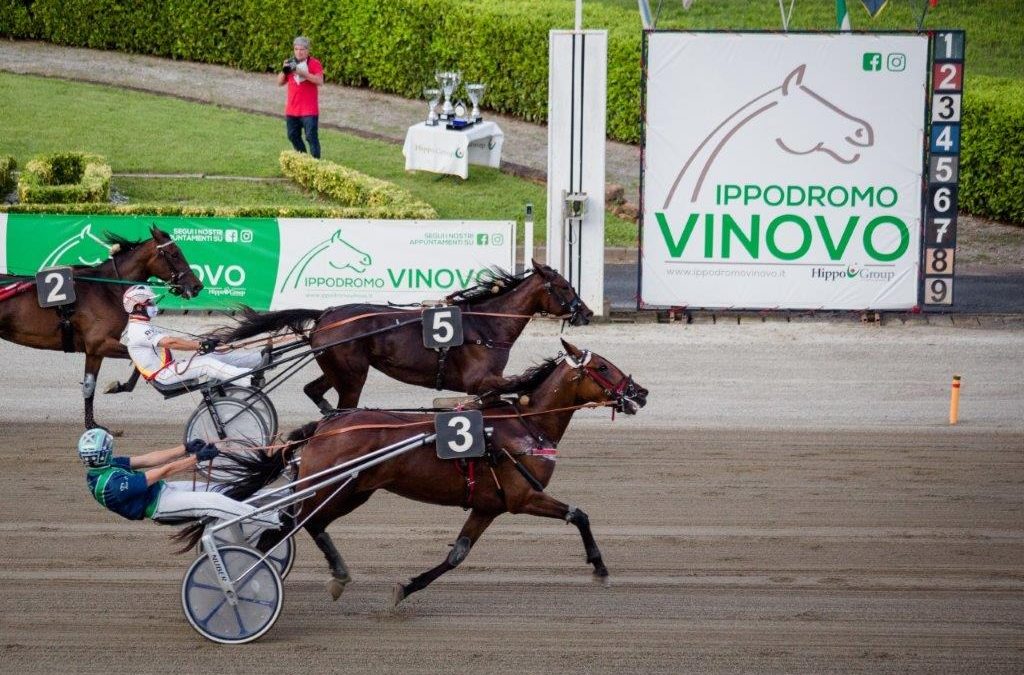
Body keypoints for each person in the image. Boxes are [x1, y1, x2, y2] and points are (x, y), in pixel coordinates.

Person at [78, 428, 280, 530]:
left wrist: (185, 448)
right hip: (159, 506)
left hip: (163, 489)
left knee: (222, 489)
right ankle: (273, 520)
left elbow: (149, 459)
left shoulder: (104, 466)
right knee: (214, 502)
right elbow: (163, 471)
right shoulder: (112, 485)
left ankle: (279, 496)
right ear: (103, 453)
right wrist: (197, 458)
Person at [120, 284, 263, 387]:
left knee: (213, 356)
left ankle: (259, 358)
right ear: (138, 307)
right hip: (163, 375)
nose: (153, 305)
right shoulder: (138, 330)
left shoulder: (143, 326)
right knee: (207, 364)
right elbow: (171, 343)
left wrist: (206, 344)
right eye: (149, 303)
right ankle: (249, 379)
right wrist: (200, 345)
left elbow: (173, 341)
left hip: (170, 368)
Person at [277, 35, 324, 159]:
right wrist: (284, 71)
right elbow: (279, 82)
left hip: (309, 110)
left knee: (311, 137)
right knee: (292, 136)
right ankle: (304, 159)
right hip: (292, 109)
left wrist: (302, 73)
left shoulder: (314, 63)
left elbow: (320, 81)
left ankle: (316, 164)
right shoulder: (290, 62)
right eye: (296, 49)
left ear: (308, 50)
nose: (299, 52)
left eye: (302, 49)